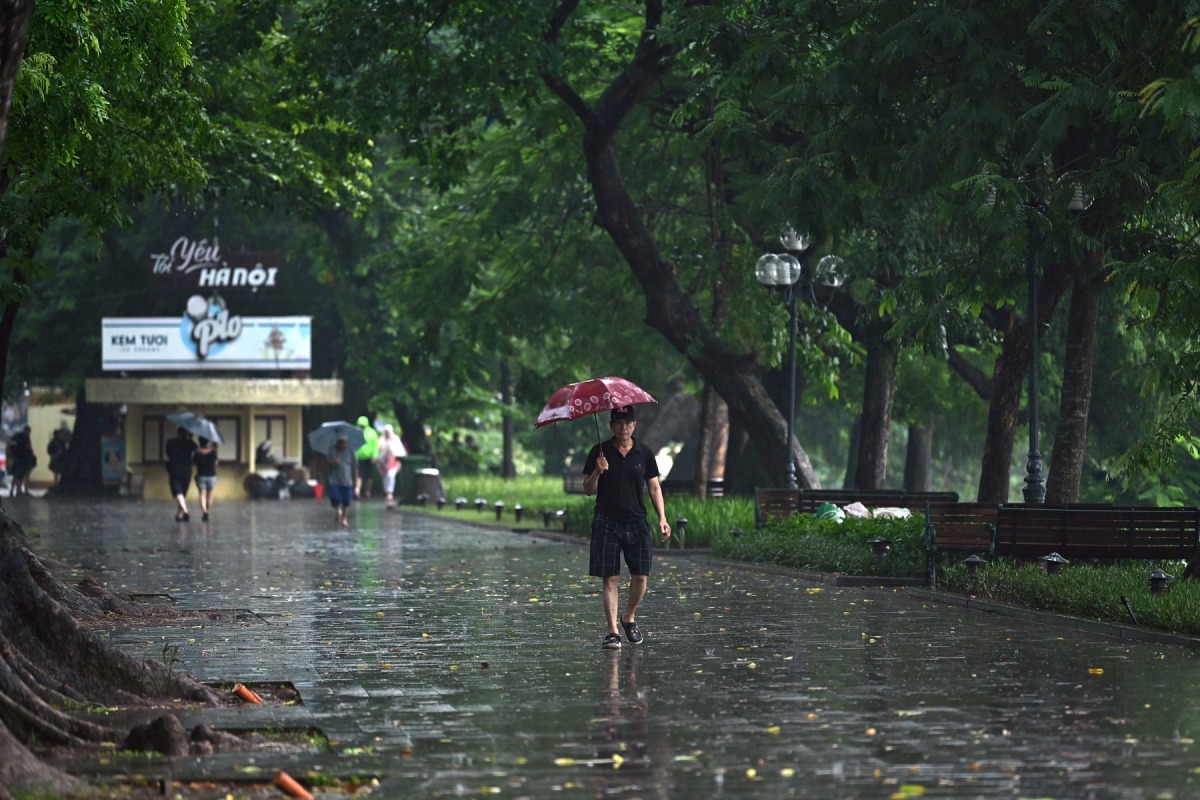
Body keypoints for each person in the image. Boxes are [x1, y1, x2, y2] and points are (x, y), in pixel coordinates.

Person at [582, 405, 671, 650]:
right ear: (611, 425)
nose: (624, 427)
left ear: (635, 425)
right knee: (610, 578)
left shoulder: (644, 452)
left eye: (628, 422)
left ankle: (628, 617)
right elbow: (588, 490)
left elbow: (654, 488)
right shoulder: (598, 452)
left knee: (641, 577)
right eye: (619, 422)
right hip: (606, 521)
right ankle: (612, 631)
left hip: (637, 521)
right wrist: (597, 472)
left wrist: (662, 518)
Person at [164, 427, 197, 522]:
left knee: (178, 491)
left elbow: (168, 453)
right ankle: (179, 514)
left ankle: (184, 511)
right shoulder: (190, 443)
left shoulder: (170, 442)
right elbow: (196, 452)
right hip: (186, 470)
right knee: (183, 493)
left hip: (174, 468)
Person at [326, 434, 355, 527]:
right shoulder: (332, 450)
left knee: (347, 501)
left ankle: (344, 518)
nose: (343, 444)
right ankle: (338, 511)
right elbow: (327, 463)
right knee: (335, 498)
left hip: (347, 480)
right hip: (335, 480)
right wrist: (333, 462)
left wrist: (356, 480)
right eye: (341, 442)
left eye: (344, 442)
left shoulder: (350, 451)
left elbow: (355, 466)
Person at [376, 424, 407, 508]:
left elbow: (401, 451)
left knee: (391, 475)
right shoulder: (381, 440)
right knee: (385, 477)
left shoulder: (396, 439)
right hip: (383, 463)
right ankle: (387, 491)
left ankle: (390, 492)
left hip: (394, 462)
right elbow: (378, 451)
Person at [193, 436, 218, 522]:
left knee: (202, 494)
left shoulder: (197, 453)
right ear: (208, 442)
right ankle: (208, 510)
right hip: (211, 475)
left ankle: (204, 511)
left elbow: (195, 462)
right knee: (210, 495)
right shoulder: (213, 452)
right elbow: (216, 463)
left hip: (201, 475)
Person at [354, 415, 379, 499]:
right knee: (359, 475)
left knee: (368, 476)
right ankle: (357, 491)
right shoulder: (355, 432)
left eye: (363, 426)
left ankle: (368, 491)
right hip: (358, 457)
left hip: (369, 457)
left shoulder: (372, 432)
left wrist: (375, 455)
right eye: (360, 425)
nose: (361, 427)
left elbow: (375, 445)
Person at [8, 424, 33, 497]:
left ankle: (12, 490)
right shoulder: (25, 437)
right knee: (20, 475)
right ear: (27, 431)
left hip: (16, 458)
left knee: (16, 475)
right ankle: (19, 491)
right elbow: (28, 447)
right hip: (23, 458)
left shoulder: (16, 436)